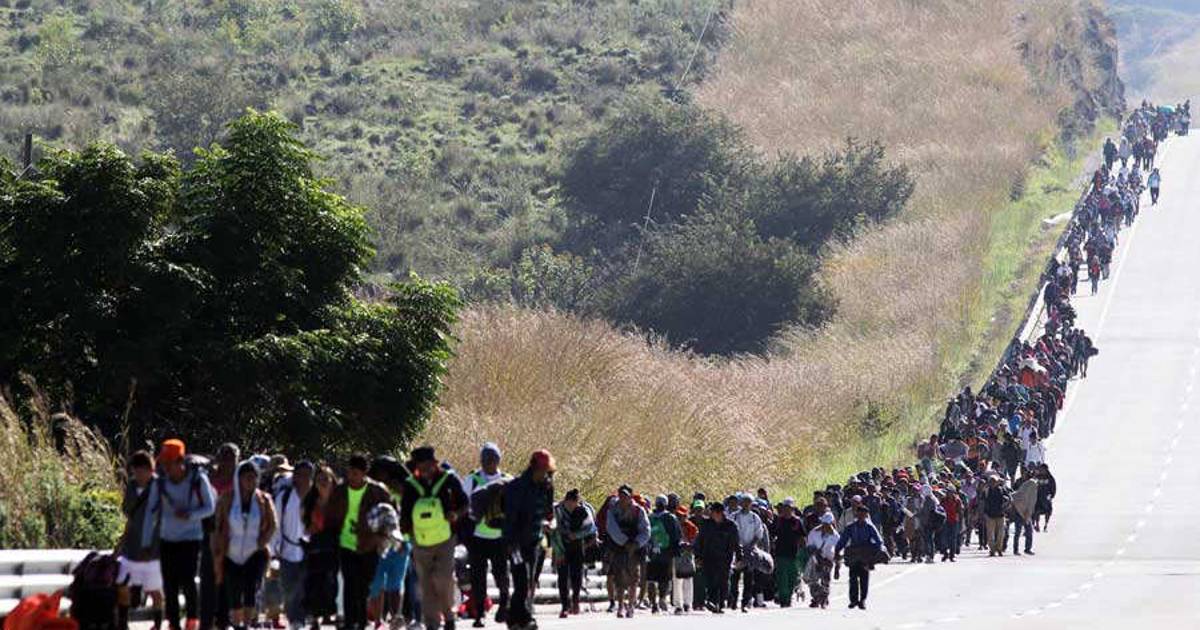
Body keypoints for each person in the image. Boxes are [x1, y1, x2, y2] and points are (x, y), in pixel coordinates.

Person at [150, 439, 216, 630]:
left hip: (191, 539)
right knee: (169, 583)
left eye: (168, 462)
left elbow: (210, 507)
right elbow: (151, 509)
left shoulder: (198, 479)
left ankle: (192, 619)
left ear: (180, 461)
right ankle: (173, 622)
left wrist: (190, 515)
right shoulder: (160, 482)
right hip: (167, 539)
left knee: (188, 580)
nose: (165, 467)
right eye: (163, 463)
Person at [400, 447, 468, 630]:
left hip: (446, 539)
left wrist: (455, 514)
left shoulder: (449, 479)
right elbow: (405, 514)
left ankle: (449, 616)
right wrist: (406, 534)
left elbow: (465, 503)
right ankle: (432, 623)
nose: (425, 471)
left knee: (443, 579)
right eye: (421, 467)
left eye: (428, 466)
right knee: (426, 584)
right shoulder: (410, 485)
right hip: (420, 541)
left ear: (434, 463)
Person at [330, 455, 393, 630]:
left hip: (369, 545)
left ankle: (362, 620)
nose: (351, 476)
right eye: (350, 472)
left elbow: (389, 515)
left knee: (364, 585)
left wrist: (380, 537)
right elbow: (332, 515)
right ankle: (350, 622)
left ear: (364, 473)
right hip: (346, 544)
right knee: (350, 583)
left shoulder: (378, 492)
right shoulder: (340, 491)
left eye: (356, 473)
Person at [213, 461, 278, 630]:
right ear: (239, 479)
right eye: (247, 478)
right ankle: (236, 624)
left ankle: (247, 624)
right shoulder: (227, 499)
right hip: (231, 551)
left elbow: (273, 524)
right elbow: (217, 524)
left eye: (254, 478)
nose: (250, 481)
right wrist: (218, 547)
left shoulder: (264, 500)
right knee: (234, 590)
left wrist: (262, 541)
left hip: (255, 551)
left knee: (251, 587)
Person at [503, 450, 556, 629]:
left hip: (534, 543)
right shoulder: (516, 487)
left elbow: (549, 513)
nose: (546, 474)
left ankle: (515, 618)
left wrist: (550, 523)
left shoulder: (546, 487)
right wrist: (510, 543)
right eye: (543, 470)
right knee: (522, 581)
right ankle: (522, 617)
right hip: (515, 543)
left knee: (528, 581)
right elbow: (509, 518)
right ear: (534, 467)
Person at [461, 443, 511, 628]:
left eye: (491, 460)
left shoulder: (507, 480)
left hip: (500, 538)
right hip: (478, 537)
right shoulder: (472, 480)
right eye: (485, 460)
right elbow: (463, 504)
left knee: (501, 574)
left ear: (498, 460)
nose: (488, 463)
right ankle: (480, 613)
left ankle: (504, 604)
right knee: (478, 577)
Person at [117, 450, 164, 630]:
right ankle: (123, 624)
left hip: (154, 549)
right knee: (122, 586)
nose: (139, 474)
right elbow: (128, 514)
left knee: (155, 590)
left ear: (151, 469)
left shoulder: (159, 487)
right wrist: (120, 545)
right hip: (131, 546)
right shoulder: (131, 486)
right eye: (136, 470)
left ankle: (157, 624)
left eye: (143, 470)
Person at [202, 443, 239, 630]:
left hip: (232, 533)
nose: (228, 462)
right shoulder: (209, 478)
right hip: (210, 530)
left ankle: (224, 618)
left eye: (232, 458)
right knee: (209, 575)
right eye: (224, 457)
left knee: (228, 577)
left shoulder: (239, 480)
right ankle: (208, 618)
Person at [272, 462, 312, 630]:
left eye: (307, 475)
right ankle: (293, 618)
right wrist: (274, 548)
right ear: (295, 476)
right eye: (300, 474)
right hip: (287, 549)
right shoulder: (284, 497)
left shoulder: (316, 497)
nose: (303, 478)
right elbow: (276, 523)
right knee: (288, 586)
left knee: (304, 586)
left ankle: (300, 620)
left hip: (309, 551)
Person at [302, 465, 340, 630]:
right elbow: (305, 523)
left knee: (331, 581)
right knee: (314, 581)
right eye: (319, 479)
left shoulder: (340, 500)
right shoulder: (310, 501)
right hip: (316, 545)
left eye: (326, 479)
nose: (323, 482)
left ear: (332, 481)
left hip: (335, 544)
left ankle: (329, 614)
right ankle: (315, 617)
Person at [605, 486, 650, 618]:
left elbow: (646, 530)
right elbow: (611, 528)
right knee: (619, 578)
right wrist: (624, 542)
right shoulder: (612, 511)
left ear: (630, 496)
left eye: (625, 496)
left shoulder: (639, 511)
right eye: (621, 495)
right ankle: (620, 606)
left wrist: (636, 543)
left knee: (634, 578)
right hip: (619, 547)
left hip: (635, 548)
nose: (623, 498)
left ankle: (631, 606)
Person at [551, 489, 596, 618]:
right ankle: (565, 606)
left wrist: (576, 535)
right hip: (560, 545)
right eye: (569, 502)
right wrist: (558, 552)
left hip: (577, 545)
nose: (571, 506)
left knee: (577, 575)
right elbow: (554, 532)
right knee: (562, 576)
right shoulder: (557, 510)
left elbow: (590, 527)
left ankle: (575, 599)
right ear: (565, 501)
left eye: (574, 503)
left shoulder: (583, 510)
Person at [834, 505, 882, 610]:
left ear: (866, 515)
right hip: (854, 555)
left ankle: (862, 600)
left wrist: (876, 552)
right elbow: (843, 540)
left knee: (864, 578)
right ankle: (853, 600)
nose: (861, 517)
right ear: (856, 514)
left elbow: (879, 541)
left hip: (865, 555)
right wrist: (837, 550)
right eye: (859, 514)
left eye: (863, 515)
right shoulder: (851, 527)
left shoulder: (870, 527)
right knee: (853, 578)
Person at [694, 502, 738, 614]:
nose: (711, 514)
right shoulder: (706, 525)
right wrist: (698, 556)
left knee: (723, 581)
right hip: (708, 557)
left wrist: (738, 556)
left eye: (713, 512)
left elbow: (735, 543)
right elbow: (699, 540)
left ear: (720, 513)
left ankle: (722, 603)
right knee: (711, 581)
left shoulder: (730, 526)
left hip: (725, 558)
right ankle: (712, 602)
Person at [645, 495, 681, 614]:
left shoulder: (649, 517)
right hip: (666, 553)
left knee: (651, 579)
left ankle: (653, 604)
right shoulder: (671, 518)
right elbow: (676, 536)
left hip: (651, 553)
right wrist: (675, 552)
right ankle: (662, 598)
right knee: (664, 579)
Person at [729, 494, 763, 612]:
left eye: (748, 502)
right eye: (744, 501)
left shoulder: (755, 518)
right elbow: (729, 532)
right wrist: (736, 546)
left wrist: (750, 546)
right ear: (740, 503)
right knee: (734, 577)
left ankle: (745, 602)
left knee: (749, 578)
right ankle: (733, 601)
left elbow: (758, 534)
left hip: (749, 551)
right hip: (736, 551)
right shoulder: (733, 516)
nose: (746, 504)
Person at [769, 499, 803, 608]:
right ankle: (784, 599)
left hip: (794, 554)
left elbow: (802, 537)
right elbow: (772, 533)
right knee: (782, 577)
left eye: (789, 508)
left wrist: (802, 552)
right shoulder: (778, 521)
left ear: (792, 509)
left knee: (792, 577)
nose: (786, 510)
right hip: (780, 553)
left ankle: (789, 595)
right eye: (785, 508)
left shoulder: (797, 521)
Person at [803, 513, 838, 609]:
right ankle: (816, 597)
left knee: (825, 580)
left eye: (827, 524)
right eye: (824, 523)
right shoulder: (814, 532)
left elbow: (838, 551)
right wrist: (815, 554)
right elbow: (809, 546)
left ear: (831, 523)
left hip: (828, 560)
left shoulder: (835, 536)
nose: (825, 526)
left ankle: (824, 599)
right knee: (810, 579)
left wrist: (836, 566)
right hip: (815, 558)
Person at [983, 476, 1009, 557]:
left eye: (994, 481)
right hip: (989, 515)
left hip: (1000, 515)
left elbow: (1009, 499)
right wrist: (982, 513)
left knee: (1001, 534)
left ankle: (999, 549)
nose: (993, 483)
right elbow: (982, 502)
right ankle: (992, 550)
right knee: (990, 534)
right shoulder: (986, 491)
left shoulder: (1002, 490)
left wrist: (1005, 507)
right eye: (991, 481)